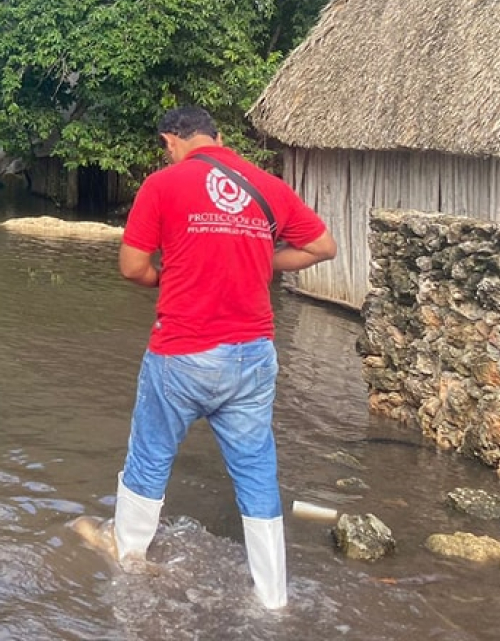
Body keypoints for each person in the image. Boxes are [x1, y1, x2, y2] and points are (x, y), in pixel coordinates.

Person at [74, 106, 337, 611]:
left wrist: (165, 278)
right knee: (257, 471)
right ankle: (274, 597)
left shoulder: (164, 184)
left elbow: (131, 267)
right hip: (254, 355)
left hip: (184, 352)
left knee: (150, 457)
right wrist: (263, 263)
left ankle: (128, 558)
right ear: (218, 138)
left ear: (171, 140)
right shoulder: (268, 186)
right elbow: (323, 246)